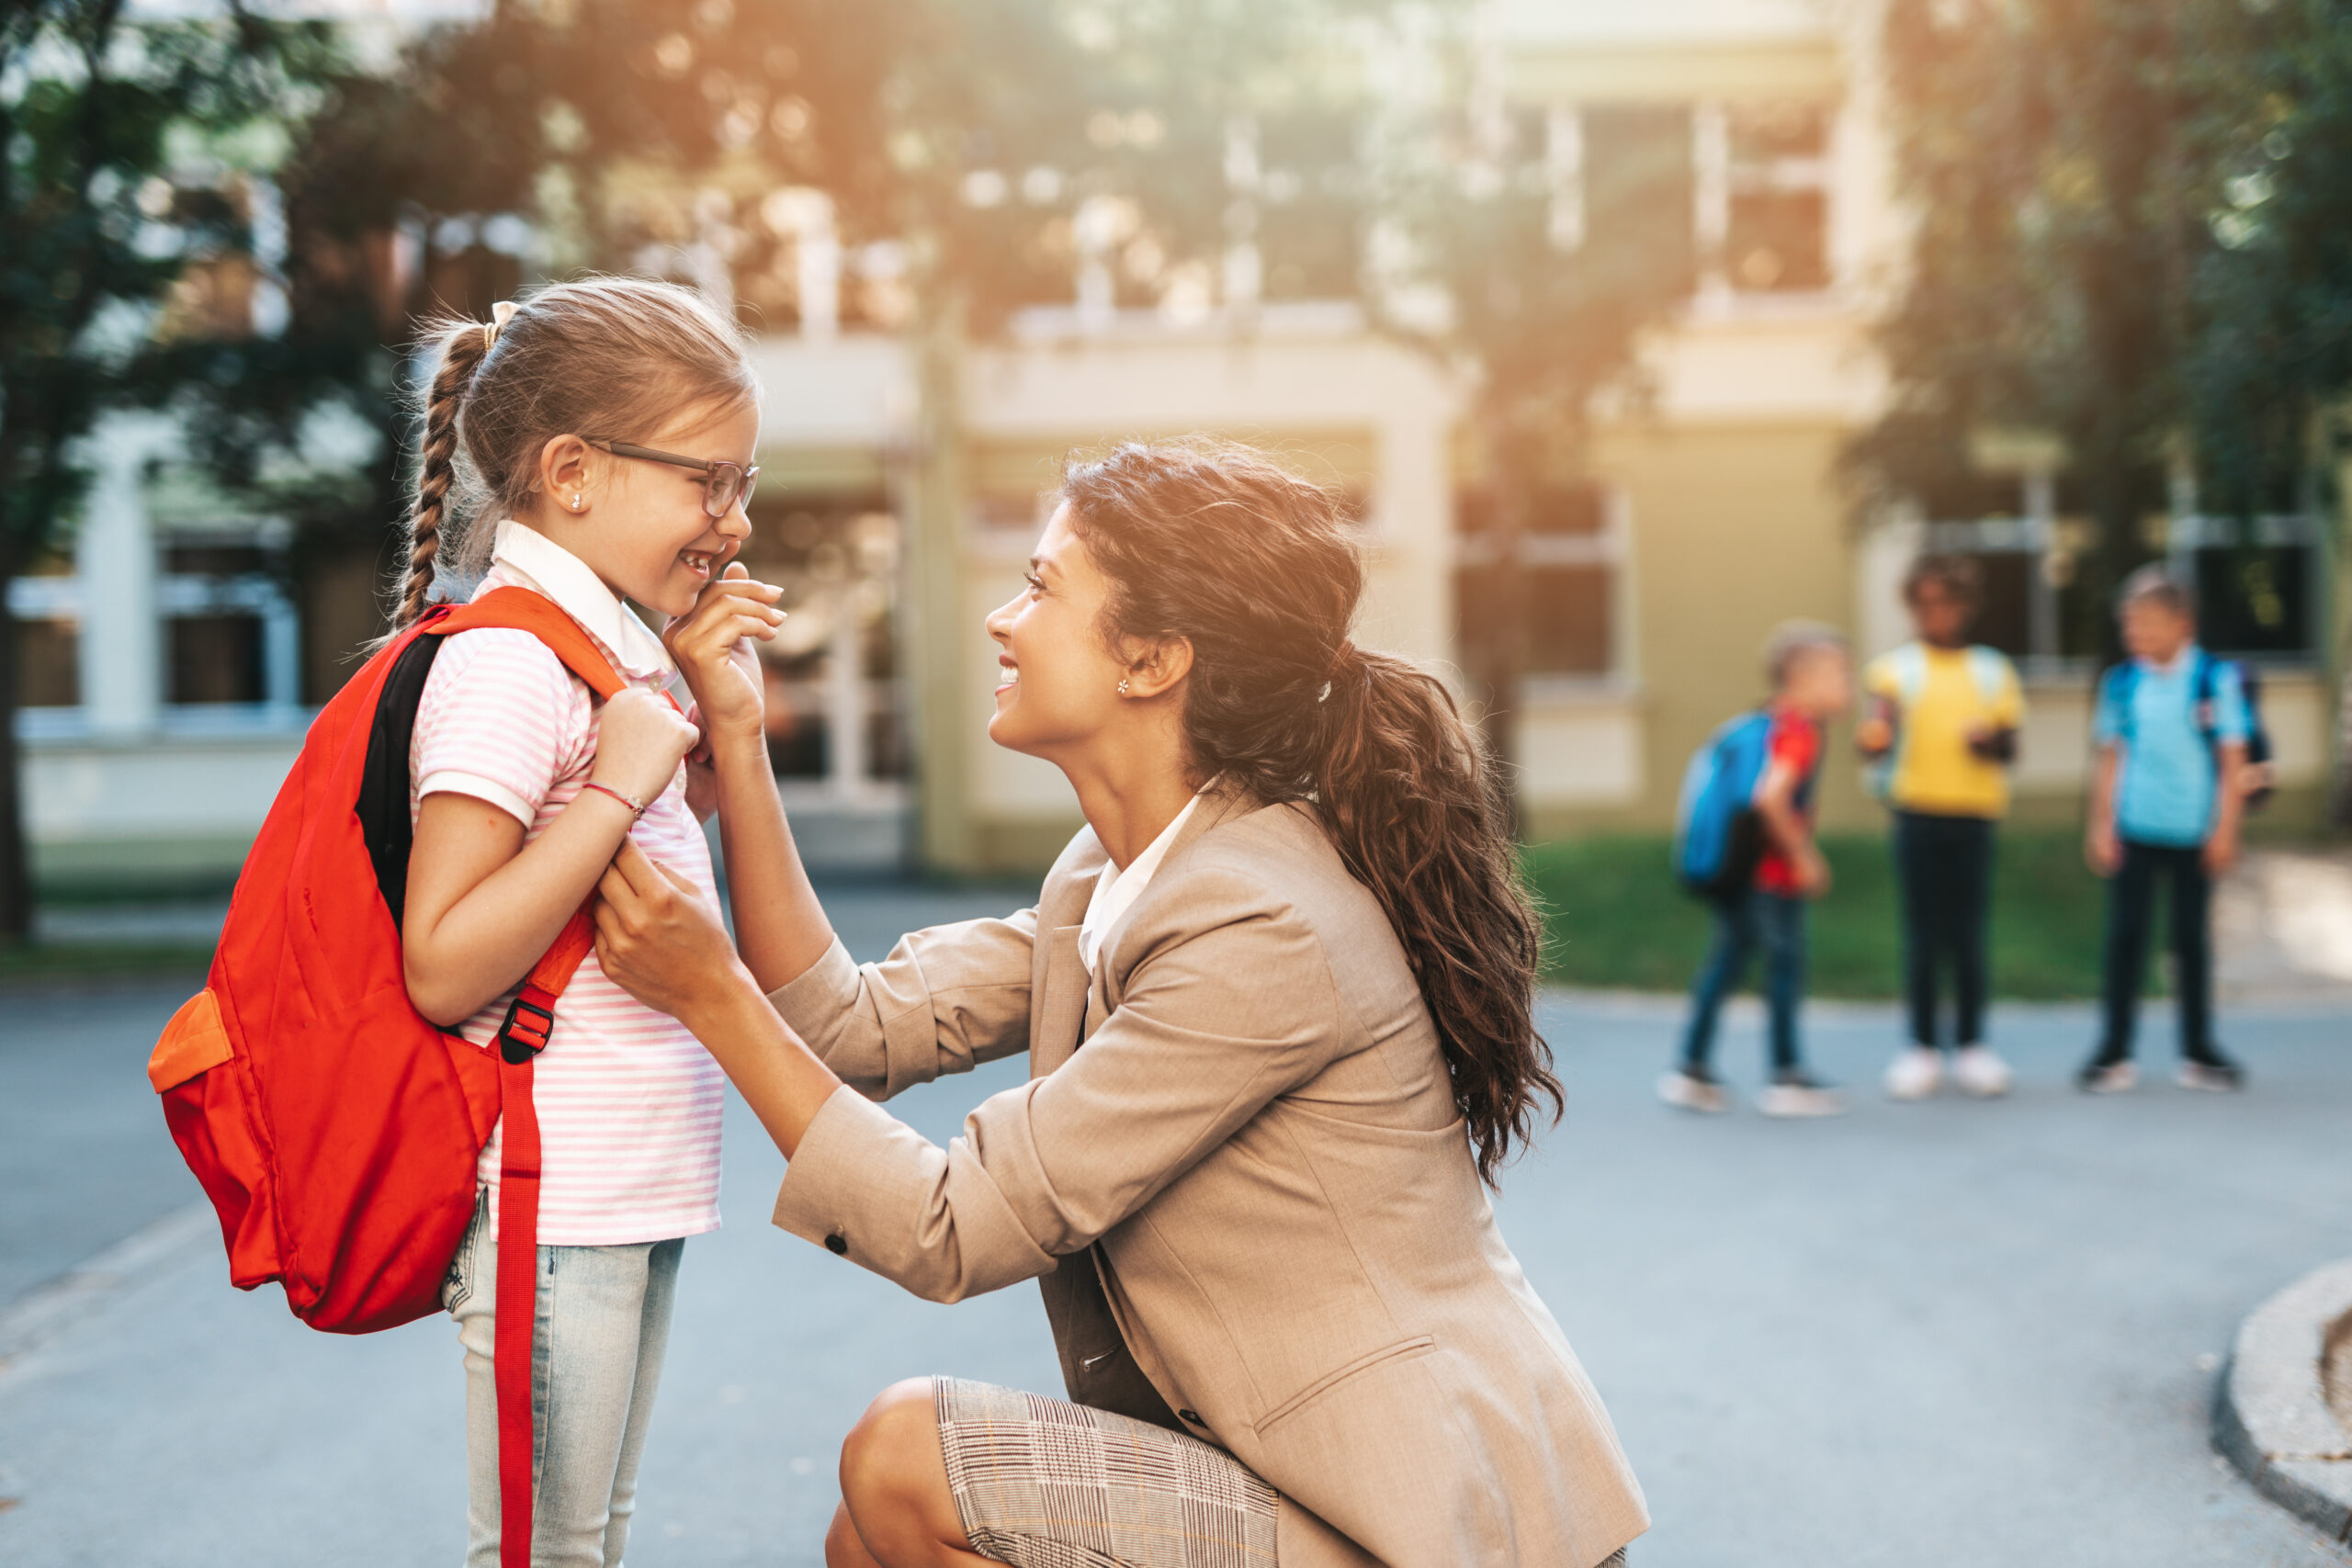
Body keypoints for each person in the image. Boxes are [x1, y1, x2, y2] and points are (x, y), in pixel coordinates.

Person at [593, 440, 1648, 1567]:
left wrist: (711, 992)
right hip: (1286, 1479)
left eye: (1042, 587)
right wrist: (742, 740)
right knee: (867, 1532)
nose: (1002, 620)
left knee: (906, 1455)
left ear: (1149, 661)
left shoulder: (1257, 922)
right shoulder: (1115, 876)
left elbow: (950, 1226)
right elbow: (852, 1025)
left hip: (1421, 1524)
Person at [392, 277, 768, 1567]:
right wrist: (617, 779)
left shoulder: (604, 651)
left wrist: (702, 744)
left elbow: (618, 894)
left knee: (585, 1538)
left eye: (741, 483)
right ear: (573, 472)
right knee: (548, 1551)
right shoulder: (508, 662)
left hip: (623, 1186)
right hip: (551, 1201)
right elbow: (444, 960)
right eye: (709, 482)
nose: (735, 520)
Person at [1658, 623, 1852, 1118]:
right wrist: (1805, 856)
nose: (1847, 685)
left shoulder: (1769, 722)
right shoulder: (1797, 730)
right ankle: (1787, 1076)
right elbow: (1769, 797)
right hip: (1769, 875)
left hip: (1737, 871)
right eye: (1838, 673)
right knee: (1785, 966)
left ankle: (1691, 1070)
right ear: (1799, 677)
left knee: (1726, 962)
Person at [1855, 556, 2025, 1101]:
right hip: (1916, 810)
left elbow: (2011, 747)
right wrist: (1874, 739)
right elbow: (1871, 738)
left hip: (1974, 812)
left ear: (1965, 607)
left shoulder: (1993, 670)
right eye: (1924, 604)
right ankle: (1921, 1049)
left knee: (1969, 932)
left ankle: (1973, 1047)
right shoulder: (1892, 670)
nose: (1936, 614)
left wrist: (1988, 742)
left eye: (1946, 602)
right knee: (1923, 934)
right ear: (1912, 609)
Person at [2079, 566, 2250, 1093]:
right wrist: (2099, 826)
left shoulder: (2214, 680)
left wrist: (2226, 830)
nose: (2136, 636)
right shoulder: (2123, 683)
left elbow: (2232, 761)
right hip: (2135, 828)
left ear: (2183, 623)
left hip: (2193, 832)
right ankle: (2114, 1051)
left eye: (2148, 624)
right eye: (2129, 626)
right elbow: (2109, 759)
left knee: (2190, 942)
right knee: (2125, 938)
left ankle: (2198, 1050)